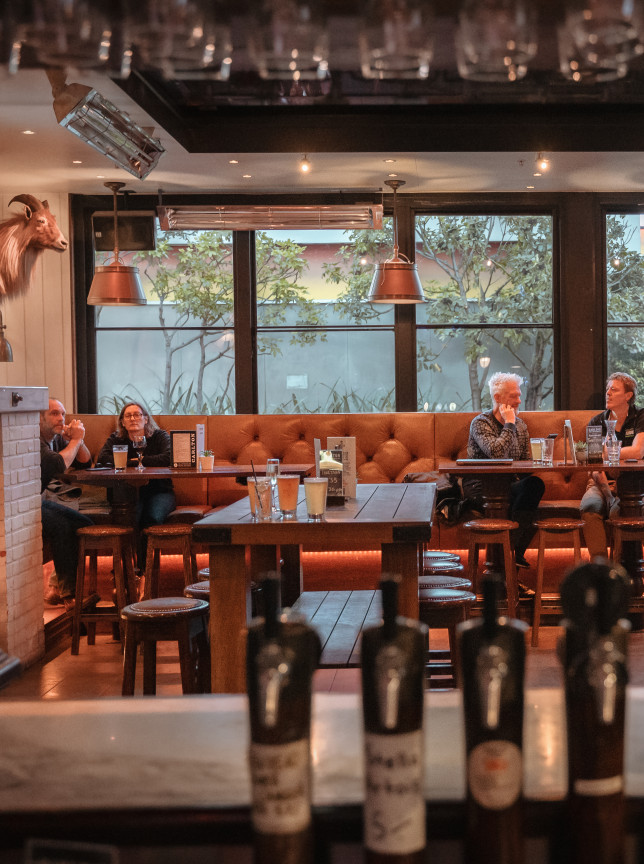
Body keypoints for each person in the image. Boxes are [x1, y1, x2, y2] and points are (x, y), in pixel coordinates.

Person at [463, 371, 545, 572]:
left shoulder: (521, 425)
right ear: (498, 398)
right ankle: (509, 560)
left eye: (519, 395)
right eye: (513, 396)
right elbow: (496, 453)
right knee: (514, 506)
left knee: (535, 485)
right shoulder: (481, 423)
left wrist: (538, 461)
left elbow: (525, 464)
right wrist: (509, 423)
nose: (519, 401)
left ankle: (512, 553)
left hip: (509, 485)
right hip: (482, 488)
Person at [96, 402, 175, 566]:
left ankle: (146, 570)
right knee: (128, 519)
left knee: (151, 518)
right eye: (128, 416)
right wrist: (135, 462)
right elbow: (103, 459)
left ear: (146, 419)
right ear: (122, 422)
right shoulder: (116, 439)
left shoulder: (159, 436)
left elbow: (168, 457)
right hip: (127, 492)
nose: (133, 418)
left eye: (137, 414)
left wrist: (133, 461)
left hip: (159, 491)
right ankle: (126, 571)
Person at [580, 372, 644, 560]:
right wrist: (608, 494)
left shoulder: (640, 417)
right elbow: (594, 464)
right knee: (589, 508)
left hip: (634, 484)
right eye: (607, 389)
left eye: (614, 390)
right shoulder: (596, 422)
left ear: (628, 395)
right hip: (601, 481)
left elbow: (638, 452)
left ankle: (620, 568)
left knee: (620, 510)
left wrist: (606, 453)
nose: (608, 393)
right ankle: (600, 567)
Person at [40, 398, 94, 610]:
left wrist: (77, 440)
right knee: (62, 526)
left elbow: (85, 462)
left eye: (63, 414)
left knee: (85, 524)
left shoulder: (55, 438)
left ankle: (57, 587)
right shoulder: (34, 439)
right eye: (54, 413)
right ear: (39, 418)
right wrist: (75, 440)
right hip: (23, 507)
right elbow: (57, 464)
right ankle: (69, 596)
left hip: (39, 502)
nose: (61, 418)